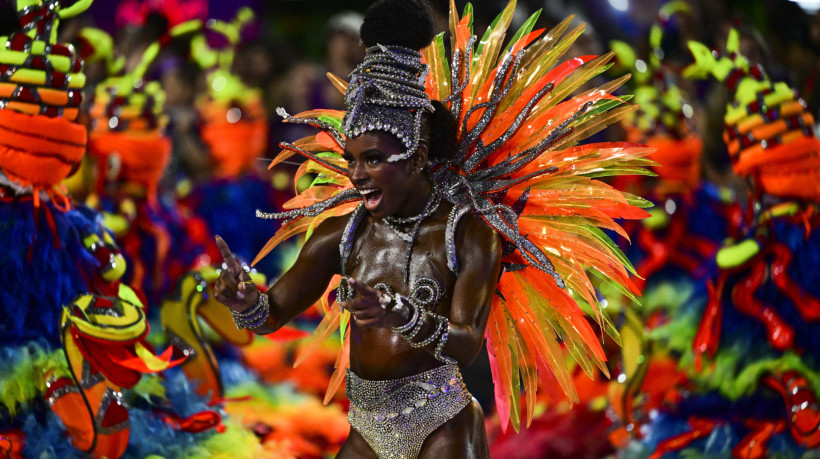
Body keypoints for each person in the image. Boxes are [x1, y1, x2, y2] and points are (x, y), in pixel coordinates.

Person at [214, 0, 651, 457]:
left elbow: (465, 343)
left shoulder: (467, 234)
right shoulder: (341, 234)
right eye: (351, 161)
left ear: (419, 158)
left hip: (441, 427)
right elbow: (273, 313)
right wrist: (247, 302)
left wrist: (398, 313)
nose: (357, 175)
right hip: (366, 429)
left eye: (374, 159)